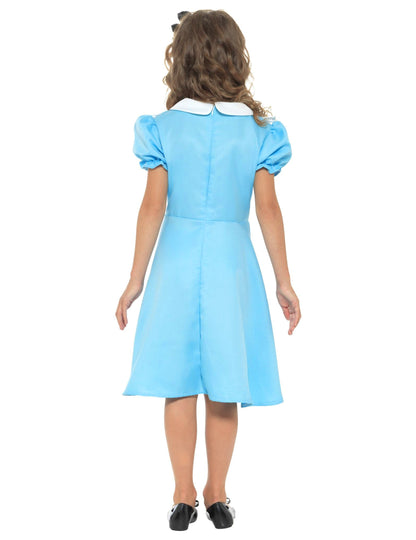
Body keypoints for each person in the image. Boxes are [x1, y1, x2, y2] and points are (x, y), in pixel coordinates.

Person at [115, 9, 301, 531]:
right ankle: (216, 493)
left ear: (181, 59)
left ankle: (183, 494)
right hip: (230, 263)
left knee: (179, 381)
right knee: (223, 382)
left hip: (175, 260)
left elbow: (152, 207)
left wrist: (134, 280)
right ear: (234, 57)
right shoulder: (260, 132)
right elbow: (268, 209)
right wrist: (284, 280)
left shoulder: (163, 128)